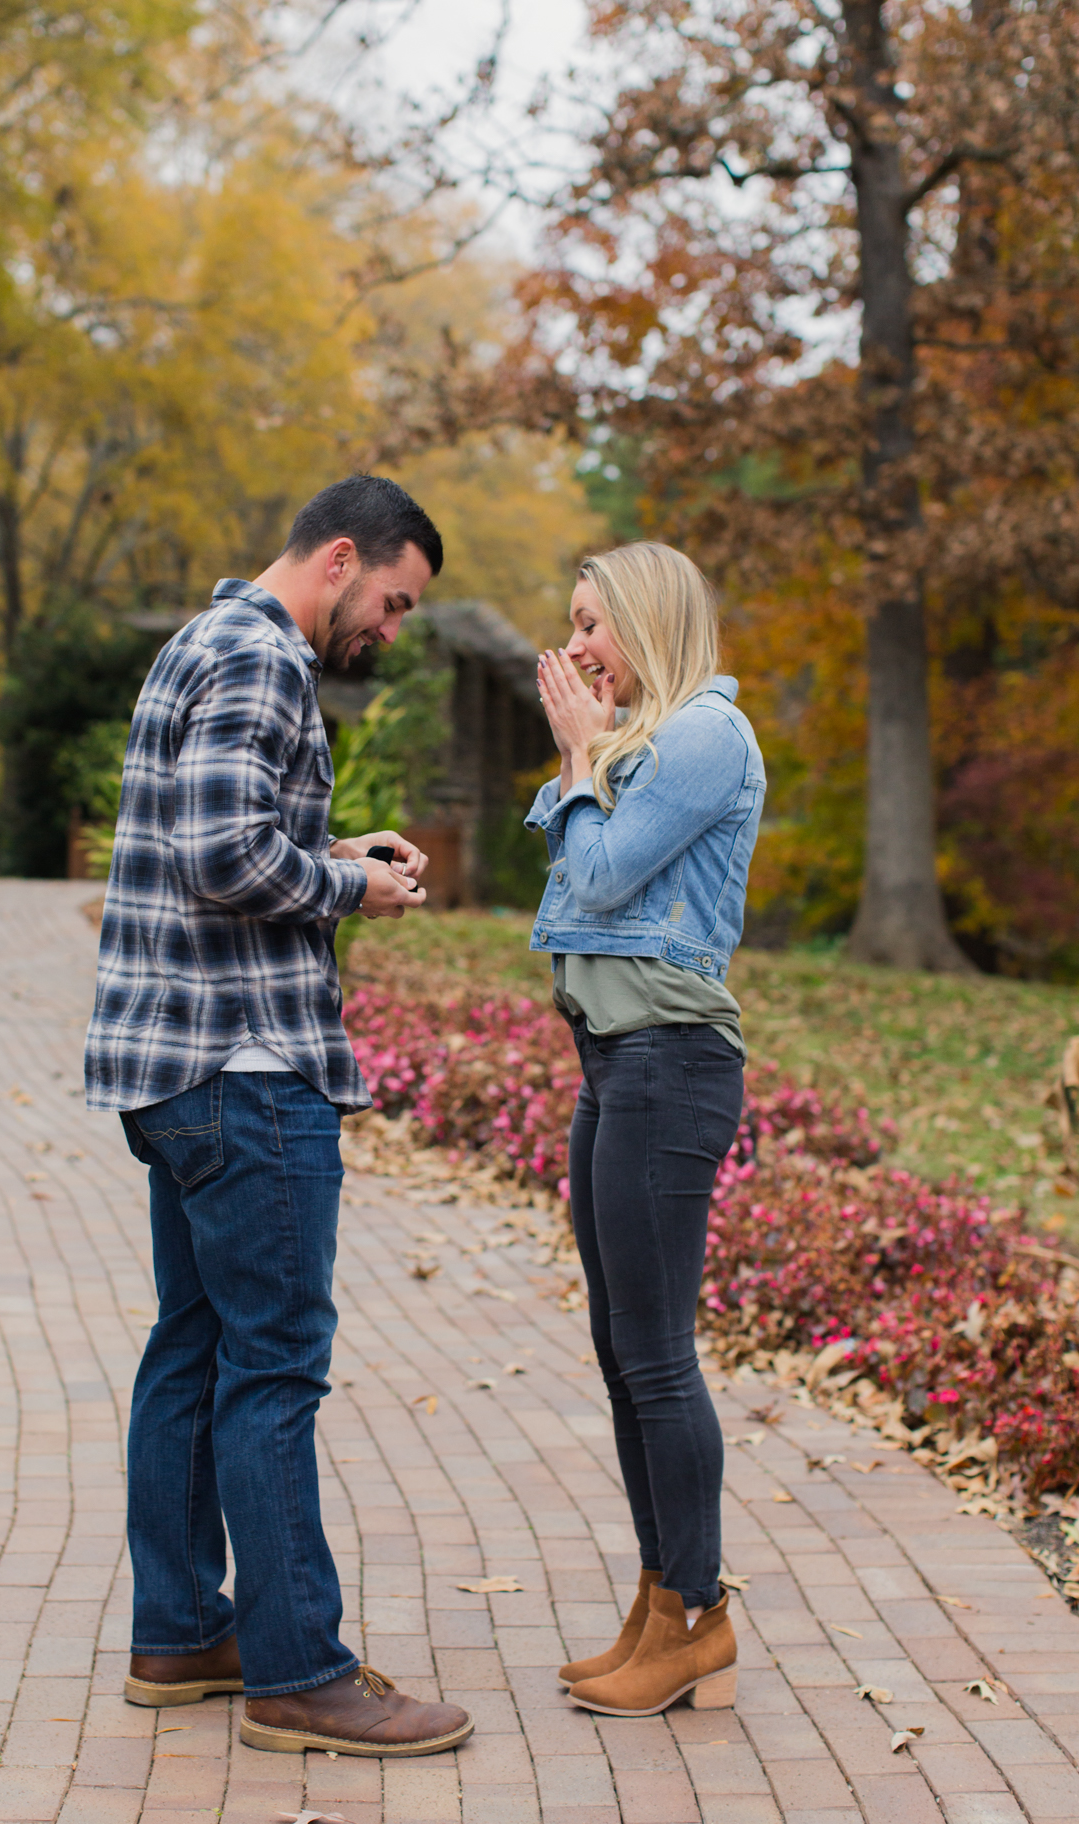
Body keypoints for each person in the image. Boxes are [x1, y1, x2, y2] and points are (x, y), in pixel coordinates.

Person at [84, 475, 474, 1759]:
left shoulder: (205, 641)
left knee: (194, 1346)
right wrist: (351, 883)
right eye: (395, 601)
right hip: (246, 1073)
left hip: (177, 1069)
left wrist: (329, 839)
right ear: (343, 557)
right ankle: (301, 1670)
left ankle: (183, 1628)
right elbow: (223, 859)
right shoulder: (264, 658)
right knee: (275, 1362)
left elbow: (234, 832)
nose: (394, 627)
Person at [527, 541, 765, 1718]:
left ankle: (701, 1614)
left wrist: (580, 753)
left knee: (659, 1352)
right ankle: (660, 1597)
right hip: (612, 1061)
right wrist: (588, 755)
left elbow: (604, 876)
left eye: (592, 625)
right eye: (570, 625)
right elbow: (572, 888)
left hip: (671, 1066)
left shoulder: (708, 736)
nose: (574, 649)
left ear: (646, 621)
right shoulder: (643, 745)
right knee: (627, 1352)